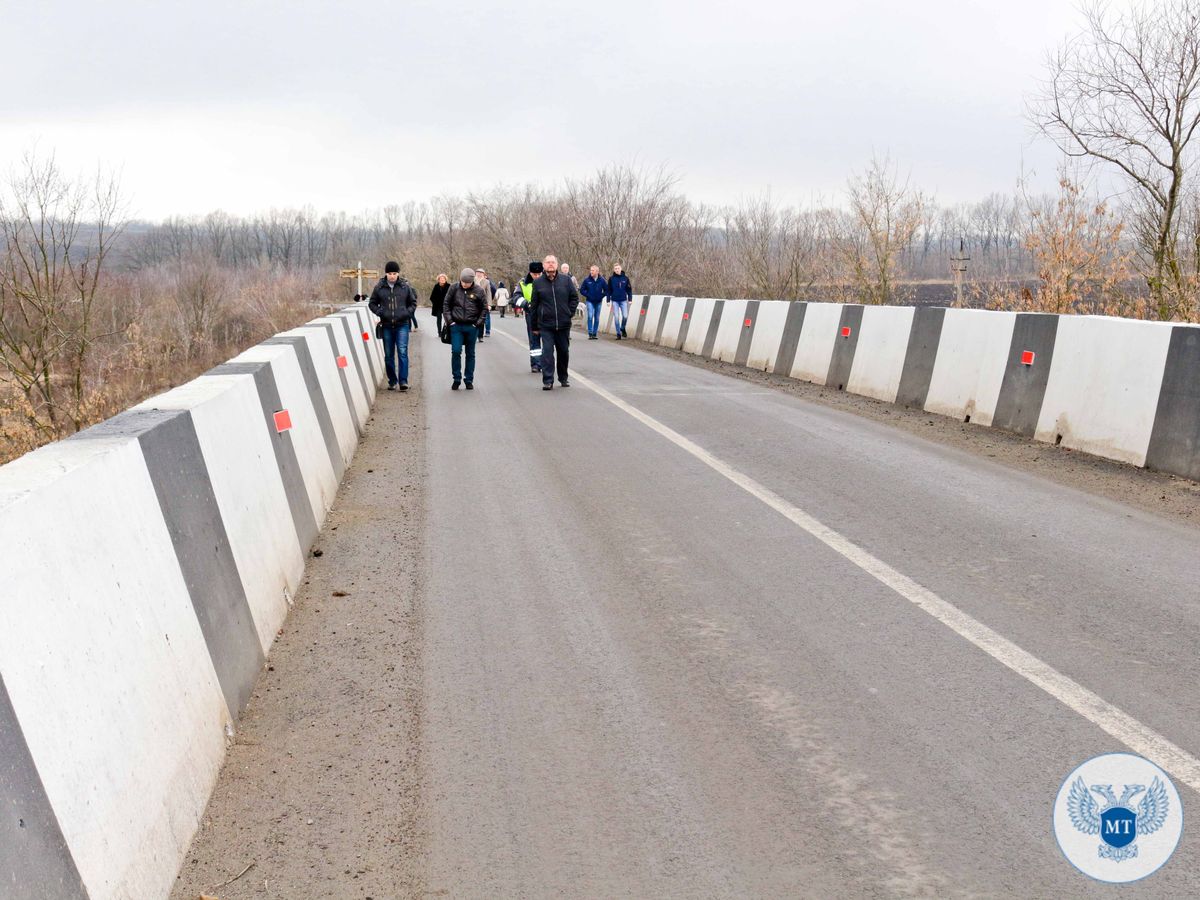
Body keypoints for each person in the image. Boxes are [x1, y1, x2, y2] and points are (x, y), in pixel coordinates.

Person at [529, 254, 579, 390]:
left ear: (557, 265)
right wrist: (534, 326)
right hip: (546, 325)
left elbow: (574, 298)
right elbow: (534, 305)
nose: (550, 264)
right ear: (544, 266)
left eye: (553, 262)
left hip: (563, 324)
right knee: (547, 352)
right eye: (548, 262)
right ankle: (548, 380)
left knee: (563, 351)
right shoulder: (538, 283)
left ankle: (563, 377)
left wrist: (569, 313)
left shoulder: (566, 280)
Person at [368, 261, 418, 391]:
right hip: (386, 325)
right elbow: (372, 303)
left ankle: (403, 381)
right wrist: (380, 312)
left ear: (398, 274)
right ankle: (392, 381)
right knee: (389, 355)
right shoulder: (379, 287)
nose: (392, 276)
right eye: (390, 273)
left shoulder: (405, 287)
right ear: (386, 273)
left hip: (402, 324)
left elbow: (413, 303)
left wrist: (407, 313)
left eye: (394, 273)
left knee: (402, 352)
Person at [441, 268, 487, 390]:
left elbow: (484, 308)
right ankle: (456, 378)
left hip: (472, 326)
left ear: (472, 281)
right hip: (456, 326)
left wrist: (477, 323)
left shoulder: (479, 290)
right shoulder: (454, 288)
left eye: (467, 282)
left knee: (470, 353)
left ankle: (469, 379)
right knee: (456, 351)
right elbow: (446, 304)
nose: (465, 284)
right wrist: (450, 321)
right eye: (463, 282)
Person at [519, 261, 542, 371]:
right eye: (534, 274)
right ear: (530, 273)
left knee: (548, 341)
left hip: (546, 314)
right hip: (531, 314)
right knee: (534, 340)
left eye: (539, 274)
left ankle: (546, 363)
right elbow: (516, 298)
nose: (537, 276)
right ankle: (536, 364)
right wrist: (525, 304)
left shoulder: (547, 281)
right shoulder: (523, 283)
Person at [579, 264, 609, 339]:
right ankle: (590, 333)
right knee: (590, 316)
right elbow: (582, 290)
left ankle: (594, 333)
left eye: (592, 270)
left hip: (598, 301)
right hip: (590, 301)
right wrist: (588, 295)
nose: (591, 272)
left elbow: (607, 290)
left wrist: (601, 296)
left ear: (597, 272)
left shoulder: (602, 280)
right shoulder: (587, 280)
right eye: (591, 270)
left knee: (597, 318)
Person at [608, 263, 633, 339]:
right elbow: (609, 290)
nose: (617, 270)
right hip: (615, 301)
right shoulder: (611, 279)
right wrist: (608, 300)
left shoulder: (625, 278)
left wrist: (630, 299)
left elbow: (629, 290)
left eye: (618, 268)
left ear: (621, 269)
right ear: (614, 270)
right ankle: (618, 333)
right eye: (615, 269)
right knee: (616, 317)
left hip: (623, 301)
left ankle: (622, 328)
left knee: (625, 316)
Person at [475, 267, 494, 340]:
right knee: (474, 319)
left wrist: (489, 304)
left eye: (481, 273)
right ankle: (474, 334)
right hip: (473, 302)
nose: (479, 274)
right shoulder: (472, 280)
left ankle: (480, 336)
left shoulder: (486, 282)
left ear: (483, 274)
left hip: (483, 302)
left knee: (482, 319)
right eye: (478, 273)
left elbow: (489, 293)